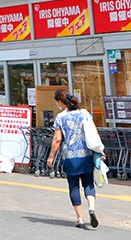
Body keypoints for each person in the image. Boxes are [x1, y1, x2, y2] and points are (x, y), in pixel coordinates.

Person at [47, 89, 99, 230]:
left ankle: (80, 218)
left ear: (60, 102)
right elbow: (93, 132)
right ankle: (92, 208)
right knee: (88, 184)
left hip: (70, 157)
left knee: (74, 186)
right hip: (86, 155)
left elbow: (57, 139)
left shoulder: (60, 117)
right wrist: (99, 150)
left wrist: (51, 157)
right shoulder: (84, 113)